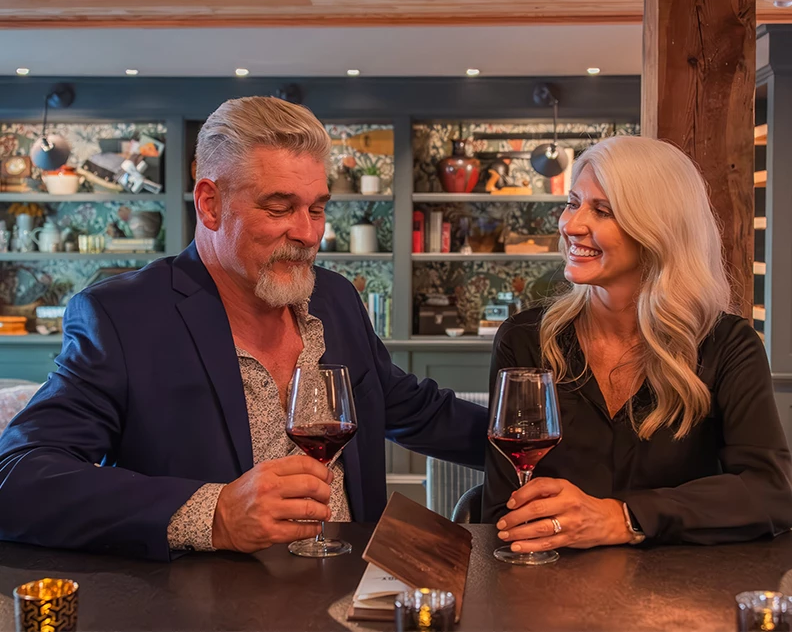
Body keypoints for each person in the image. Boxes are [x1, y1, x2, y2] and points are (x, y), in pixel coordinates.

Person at [0, 96, 488, 561]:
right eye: (279, 208)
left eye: (317, 208)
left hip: (353, 595)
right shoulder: (122, 318)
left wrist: (553, 456)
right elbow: (18, 479)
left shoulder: (334, 297)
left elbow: (416, 410)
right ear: (210, 204)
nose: (308, 233)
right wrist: (215, 514)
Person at [483, 135, 792, 551]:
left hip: (685, 598)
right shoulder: (525, 340)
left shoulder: (727, 344)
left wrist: (624, 518)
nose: (571, 225)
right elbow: (504, 510)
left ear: (657, 228)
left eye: (602, 210)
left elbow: (771, 492)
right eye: (574, 202)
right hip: (551, 590)